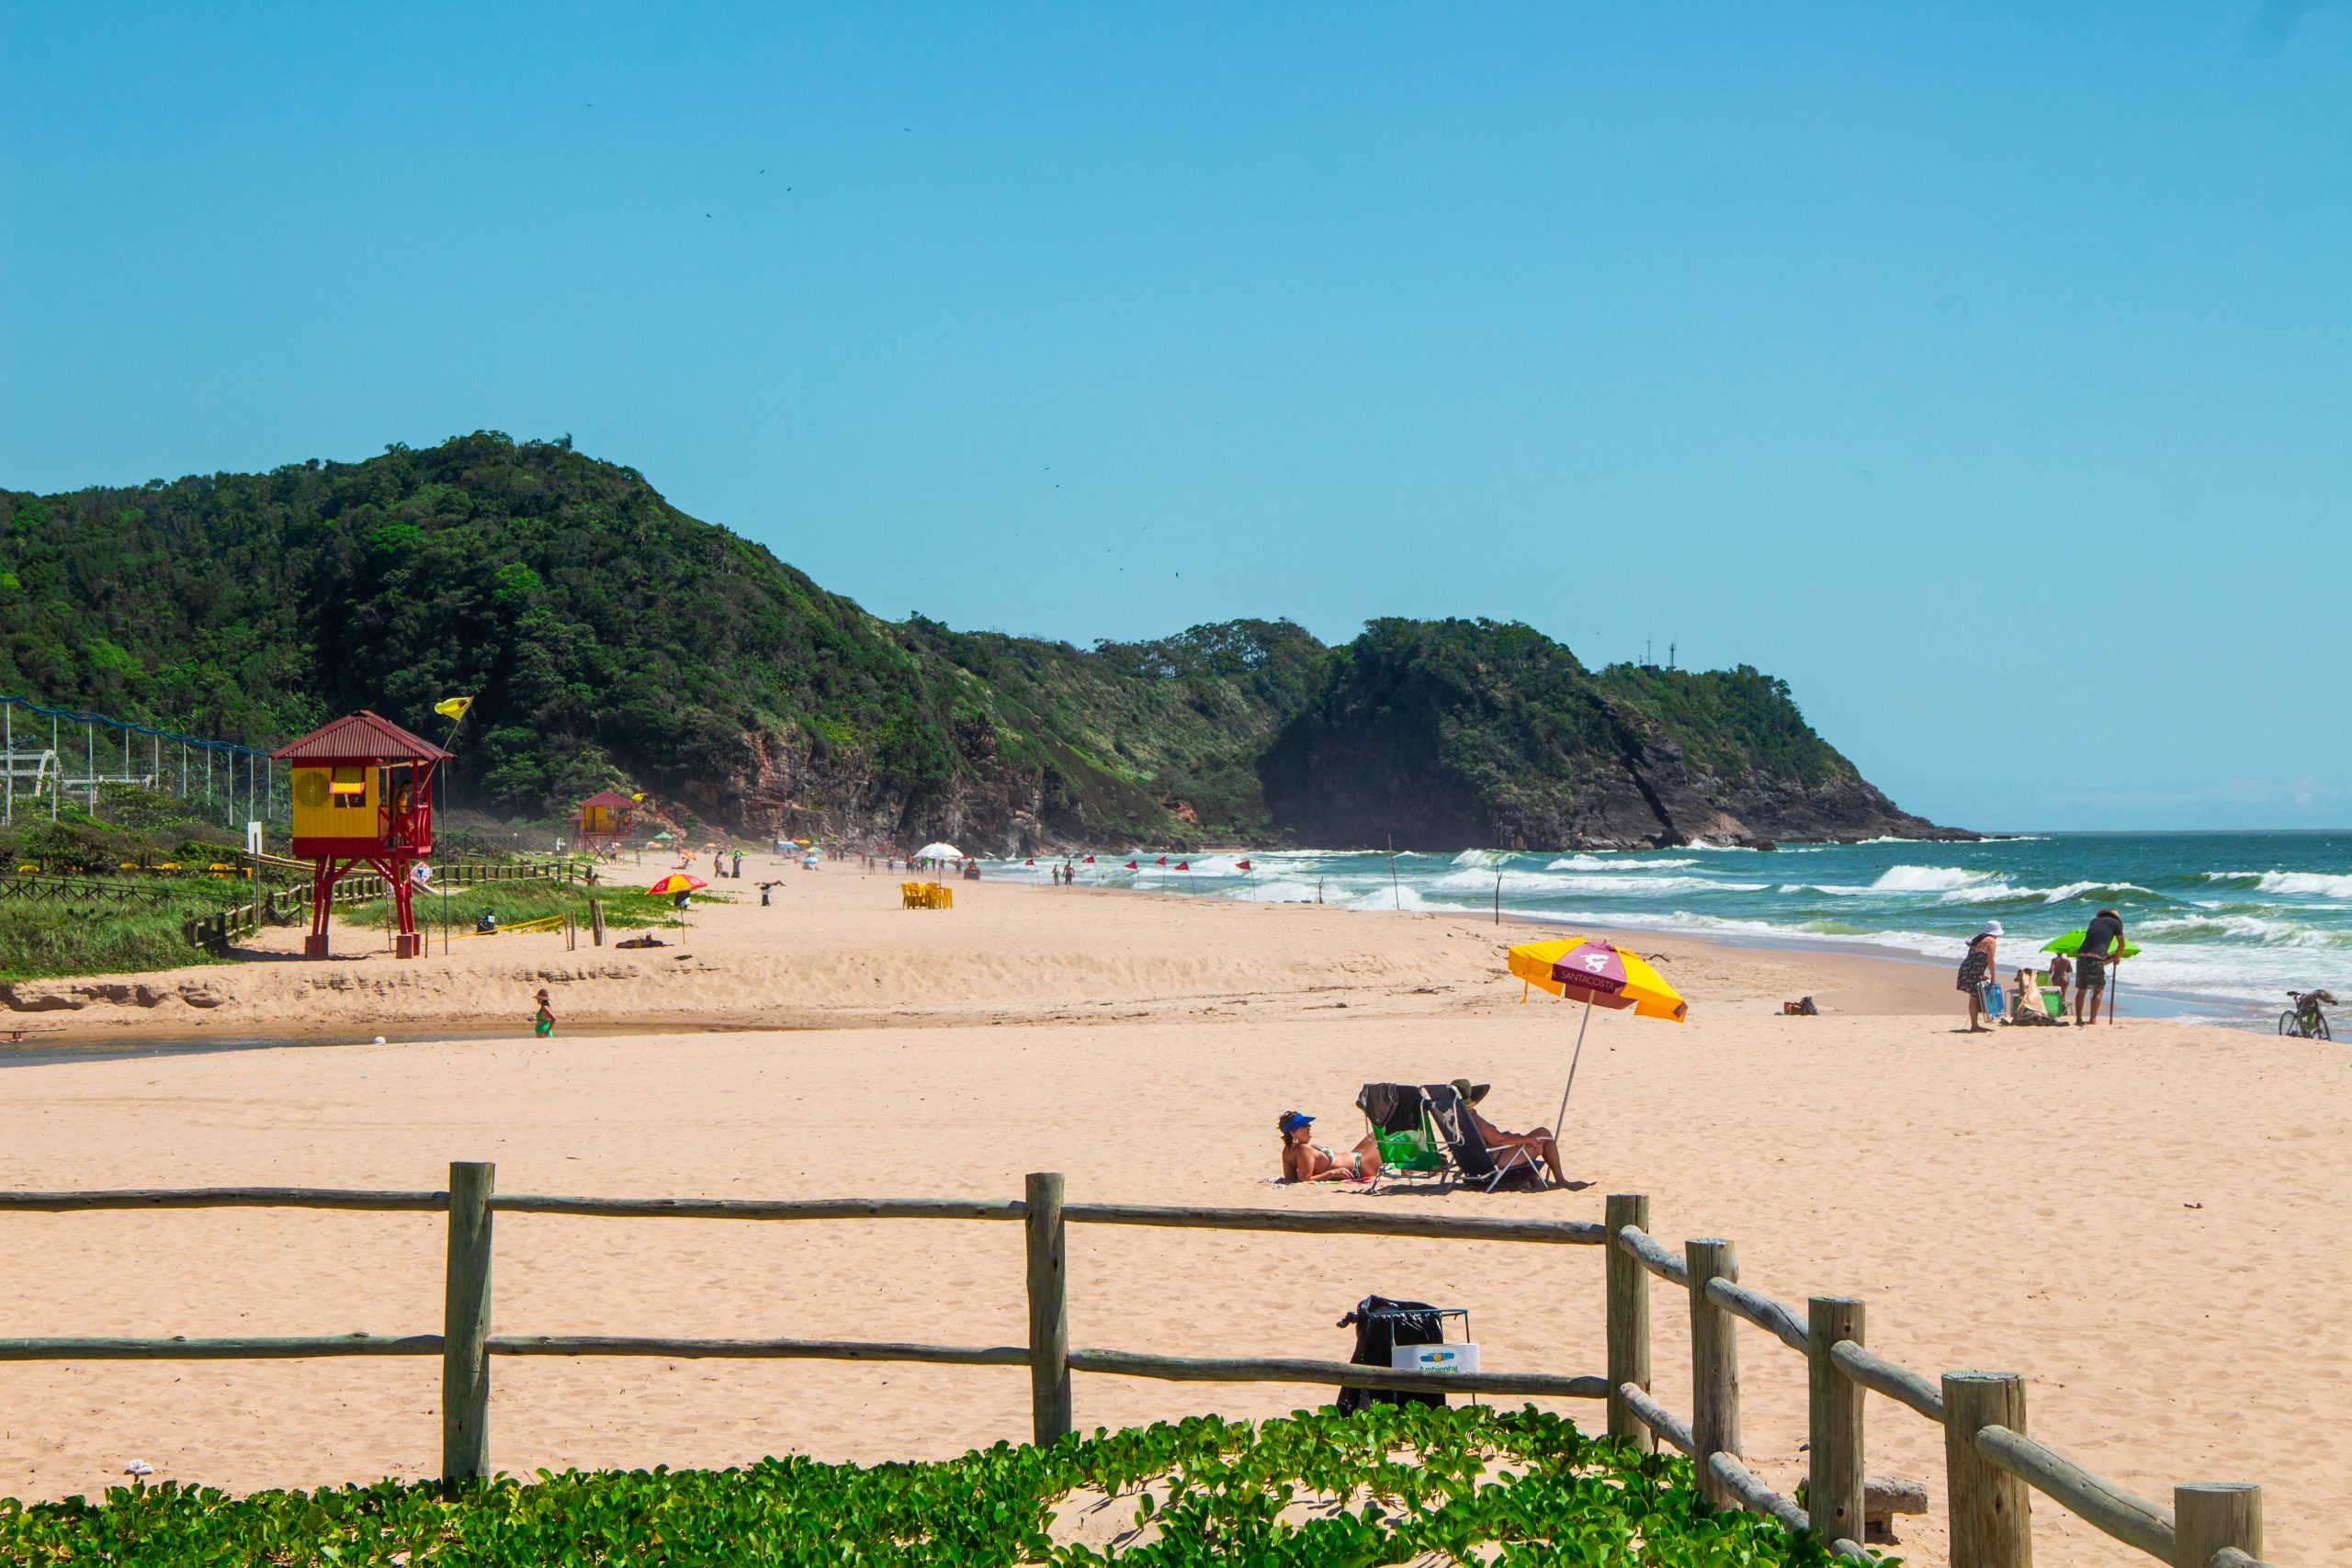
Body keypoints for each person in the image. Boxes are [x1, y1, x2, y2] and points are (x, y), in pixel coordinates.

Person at [1449, 1079, 1568, 1187]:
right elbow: (1498, 1140)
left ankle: (1534, 1181)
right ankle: (1561, 1180)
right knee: (1543, 1133)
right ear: (1472, 1103)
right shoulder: (1472, 1119)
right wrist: (1528, 1140)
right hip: (1494, 1161)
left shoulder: (1451, 1119)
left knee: (1520, 1138)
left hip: (1471, 1163)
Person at [1277, 1111, 1383, 1184]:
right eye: (1304, 1125)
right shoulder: (1303, 1149)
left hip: (1357, 1157)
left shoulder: (1287, 1152)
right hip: (1361, 1166)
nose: (1309, 1126)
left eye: (1308, 1124)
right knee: (1386, 1133)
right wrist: (1333, 1173)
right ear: (1293, 1132)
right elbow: (1305, 1180)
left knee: (1378, 1132)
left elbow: (1290, 1179)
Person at [2075, 908, 2126, 1024]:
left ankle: (2078, 1019)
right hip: (2095, 957)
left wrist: (2107, 955)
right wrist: (2117, 957)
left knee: (2081, 990)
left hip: (2081, 956)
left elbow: (2095, 941)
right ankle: (2092, 1020)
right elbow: (2122, 944)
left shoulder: (2094, 921)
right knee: (2098, 990)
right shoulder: (2116, 924)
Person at [1957, 919, 2001, 1032]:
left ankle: (1974, 1025)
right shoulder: (1991, 941)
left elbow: (1975, 958)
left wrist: (1982, 973)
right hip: (1973, 970)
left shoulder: (1979, 939)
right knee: (1974, 998)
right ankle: (1974, 1026)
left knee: (1973, 998)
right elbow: (1990, 961)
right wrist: (1993, 977)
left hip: (1967, 969)